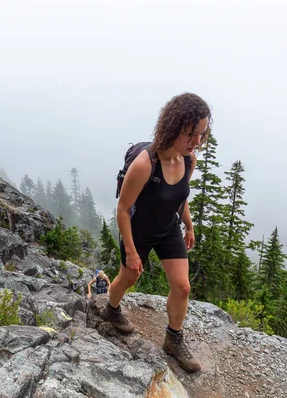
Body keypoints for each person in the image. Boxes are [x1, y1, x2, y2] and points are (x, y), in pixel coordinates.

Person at [100, 92, 211, 373]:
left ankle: (173, 339)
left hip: (168, 228)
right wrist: (132, 251)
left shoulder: (188, 161)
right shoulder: (145, 164)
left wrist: (188, 223)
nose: (197, 142)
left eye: (201, 134)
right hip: (139, 230)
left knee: (182, 286)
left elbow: (179, 197)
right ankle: (111, 309)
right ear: (173, 127)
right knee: (129, 277)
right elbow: (123, 210)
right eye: (191, 134)